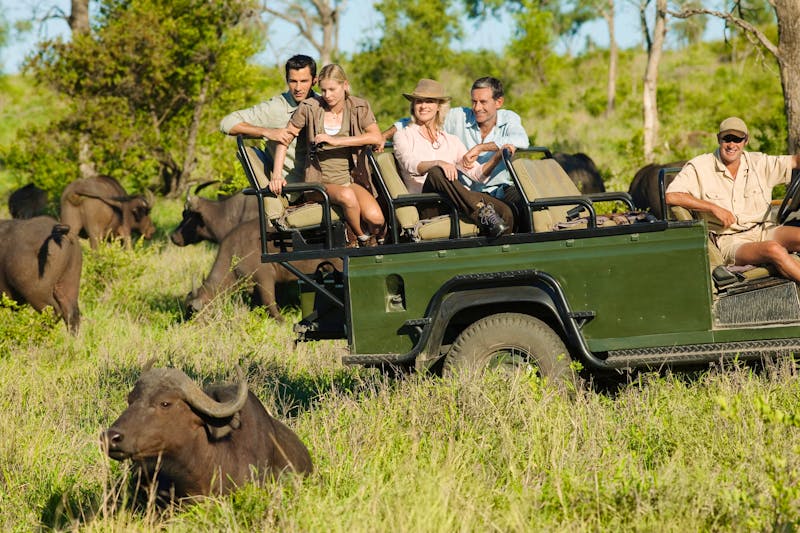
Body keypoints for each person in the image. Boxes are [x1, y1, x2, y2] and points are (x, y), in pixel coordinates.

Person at [665, 116, 800, 281]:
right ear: (718, 139)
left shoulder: (759, 163)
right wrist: (713, 208)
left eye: (737, 139)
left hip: (763, 229)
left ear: (745, 141)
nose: (731, 145)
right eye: (727, 138)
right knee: (774, 249)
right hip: (730, 240)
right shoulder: (700, 167)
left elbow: (795, 161)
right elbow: (671, 196)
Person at [384, 76, 529, 224]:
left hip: (455, 200)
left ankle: (497, 234)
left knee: (506, 213)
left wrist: (497, 156)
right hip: (426, 202)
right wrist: (439, 162)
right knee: (436, 172)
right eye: (418, 101)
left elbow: (477, 174)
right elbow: (410, 165)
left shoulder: (451, 139)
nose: (423, 106)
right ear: (413, 105)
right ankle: (481, 212)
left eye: (429, 101)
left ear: (439, 106)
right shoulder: (403, 135)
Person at [269, 64, 385, 247]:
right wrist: (276, 176)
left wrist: (337, 141)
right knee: (346, 197)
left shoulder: (359, 106)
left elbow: (376, 136)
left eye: (332, 89)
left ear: (345, 85)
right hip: (319, 183)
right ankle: (361, 238)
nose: (327, 95)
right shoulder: (310, 107)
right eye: (323, 90)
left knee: (377, 218)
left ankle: (375, 236)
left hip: (349, 180)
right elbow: (284, 139)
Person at [220, 54, 317, 187]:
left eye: (304, 81)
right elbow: (227, 123)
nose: (298, 88)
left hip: (321, 180)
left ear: (314, 80)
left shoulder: (323, 103)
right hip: (292, 189)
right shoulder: (275, 108)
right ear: (287, 80)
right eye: (293, 81)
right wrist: (268, 132)